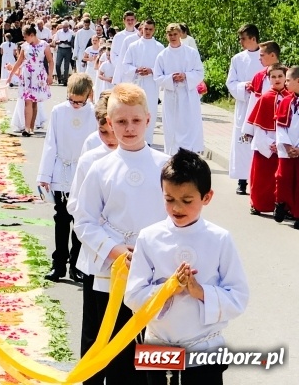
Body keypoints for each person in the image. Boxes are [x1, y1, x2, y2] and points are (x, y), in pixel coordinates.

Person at [73, 83, 169, 385]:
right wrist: (115, 250)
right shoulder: (100, 168)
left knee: (141, 353)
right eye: (121, 122)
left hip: (151, 273)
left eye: (135, 120)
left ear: (148, 119)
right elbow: (84, 220)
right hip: (107, 273)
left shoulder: (165, 165)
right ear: (110, 123)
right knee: (102, 346)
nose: (129, 128)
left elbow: (176, 217)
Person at [126, 150, 249, 385]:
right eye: (169, 199)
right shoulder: (149, 237)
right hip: (158, 342)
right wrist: (168, 289)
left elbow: (239, 296)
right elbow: (133, 294)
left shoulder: (219, 239)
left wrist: (199, 292)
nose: (177, 208)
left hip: (204, 345)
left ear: (207, 197)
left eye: (187, 200)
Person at [66, 91, 118, 385]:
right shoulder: (90, 158)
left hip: (129, 258)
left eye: (114, 131)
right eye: (103, 131)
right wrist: (100, 225)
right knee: (94, 328)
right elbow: (76, 204)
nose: (110, 138)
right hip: (98, 253)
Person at [37, 73, 96, 283]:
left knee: (80, 220)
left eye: (81, 102)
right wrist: (45, 175)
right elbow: (50, 143)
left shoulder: (94, 113)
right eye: (72, 100)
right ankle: (58, 264)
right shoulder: (58, 111)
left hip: (84, 171)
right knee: (61, 218)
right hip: (62, 169)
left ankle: (77, 265)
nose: (76, 105)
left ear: (89, 95)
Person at [243, 63, 288, 216]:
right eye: (273, 77)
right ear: (268, 79)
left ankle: (281, 206)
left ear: (286, 78)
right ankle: (257, 204)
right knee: (261, 178)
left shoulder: (291, 98)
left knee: (280, 179)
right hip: (265, 145)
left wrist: (282, 143)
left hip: (283, 145)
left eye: (280, 76)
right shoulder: (265, 98)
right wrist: (270, 144)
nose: (277, 79)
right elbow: (259, 127)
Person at [154, 23, 205, 155]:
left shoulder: (191, 53)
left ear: (180, 35)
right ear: (166, 36)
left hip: (188, 95)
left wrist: (186, 76)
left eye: (175, 34)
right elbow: (157, 77)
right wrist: (171, 78)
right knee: (172, 126)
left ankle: (190, 154)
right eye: (170, 35)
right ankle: (173, 154)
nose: (173, 37)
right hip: (172, 96)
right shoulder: (162, 55)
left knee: (189, 125)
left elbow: (200, 72)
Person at [225, 24, 262, 195]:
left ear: (253, 38)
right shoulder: (237, 59)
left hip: (261, 105)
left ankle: (259, 179)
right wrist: (243, 86)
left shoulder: (265, 56)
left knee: (260, 142)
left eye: (243, 38)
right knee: (242, 143)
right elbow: (230, 82)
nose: (240, 41)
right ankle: (242, 180)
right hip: (244, 104)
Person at [121, 19, 163, 144]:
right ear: (141, 29)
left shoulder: (159, 47)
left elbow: (164, 68)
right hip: (137, 83)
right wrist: (135, 70)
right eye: (146, 29)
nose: (148, 32)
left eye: (150, 29)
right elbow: (125, 64)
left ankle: (148, 141)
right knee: (136, 111)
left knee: (150, 111)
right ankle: (134, 138)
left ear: (154, 30)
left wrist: (152, 70)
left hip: (151, 85)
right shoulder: (133, 46)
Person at [8, 25, 53, 137]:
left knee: (34, 101)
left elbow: (50, 61)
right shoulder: (24, 46)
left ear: (32, 35)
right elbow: (19, 61)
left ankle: (32, 126)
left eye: (26, 37)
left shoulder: (44, 45)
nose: (25, 39)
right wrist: (11, 75)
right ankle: (27, 128)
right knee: (27, 100)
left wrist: (50, 75)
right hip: (27, 74)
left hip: (38, 74)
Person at [275, 66, 299, 226]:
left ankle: (297, 214)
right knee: (282, 179)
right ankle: (281, 203)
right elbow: (280, 126)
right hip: (287, 150)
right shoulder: (286, 101)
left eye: (288, 80)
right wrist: (288, 146)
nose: (285, 83)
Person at [53, 20, 74, 85]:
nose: (65, 28)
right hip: (60, 48)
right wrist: (59, 41)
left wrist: (68, 42)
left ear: (68, 27)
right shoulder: (59, 32)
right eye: (64, 27)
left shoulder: (71, 32)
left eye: (66, 27)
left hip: (68, 49)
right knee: (58, 64)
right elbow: (54, 41)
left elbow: (73, 42)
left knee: (66, 65)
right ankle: (59, 78)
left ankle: (65, 80)